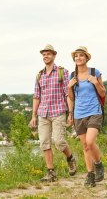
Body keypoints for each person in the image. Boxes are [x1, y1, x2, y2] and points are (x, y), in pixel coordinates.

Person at [29, 44, 77, 182]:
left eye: (48, 54)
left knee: (59, 141)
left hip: (58, 111)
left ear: (54, 55)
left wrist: (70, 113)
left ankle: (70, 158)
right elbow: (36, 96)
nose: (45, 56)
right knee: (44, 142)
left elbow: (68, 94)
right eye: (43, 54)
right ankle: (51, 173)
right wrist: (33, 116)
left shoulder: (63, 72)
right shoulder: (39, 75)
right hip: (43, 113)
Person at [67, 46, 106, 187]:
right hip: (79, 114)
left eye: (81, 55)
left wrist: (95, 82)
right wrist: (69, 87)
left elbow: (102, 93)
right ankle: (90, 174)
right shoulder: (72, 76)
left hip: (94, 112)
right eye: (76, 56)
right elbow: (71, 97)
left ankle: (98, 164)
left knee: (90, 142)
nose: (78, 58)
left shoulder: (95, 72)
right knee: (85, 145)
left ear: (86, 58)